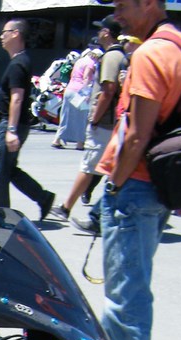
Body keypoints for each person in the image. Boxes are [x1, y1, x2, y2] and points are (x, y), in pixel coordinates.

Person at [94, 0, 181, 340]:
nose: (117, 14)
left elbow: (136, 134)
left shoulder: (152, 53)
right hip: (157, 184)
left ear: (150, 3)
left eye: (123, 5)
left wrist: (115, 185)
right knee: (134, 284)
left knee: (125, 293)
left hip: (135, 185)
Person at [50, 16, 124, 223]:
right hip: (113, 122)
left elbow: (108, 91)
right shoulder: (119, 55)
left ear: (107, 33)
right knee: (112, 170)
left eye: (101, 30)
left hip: (105, 122)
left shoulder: (111, 57)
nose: (98, 33)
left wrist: (95, 119)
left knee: (89, 166)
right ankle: (101, 213)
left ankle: (67, 208)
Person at [0, 19, 55, 219]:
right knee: (8, 170)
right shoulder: (19, 61)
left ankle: (2, 219)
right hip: (13, 122)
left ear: (16, 34)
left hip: (11, 125)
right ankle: (43, 197)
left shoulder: (18, 64)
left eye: (5, 32)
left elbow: (17, 98)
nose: (1, 36)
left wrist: (10, 130)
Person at [52, 48, 98, 150]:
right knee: (82, 117)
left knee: (65, 116)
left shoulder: (79, 61)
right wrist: (86, 93)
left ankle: (57, 140)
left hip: (69, 90)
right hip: (78, 93)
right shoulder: (90, 63)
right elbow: (86, 78)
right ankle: (80, 143)